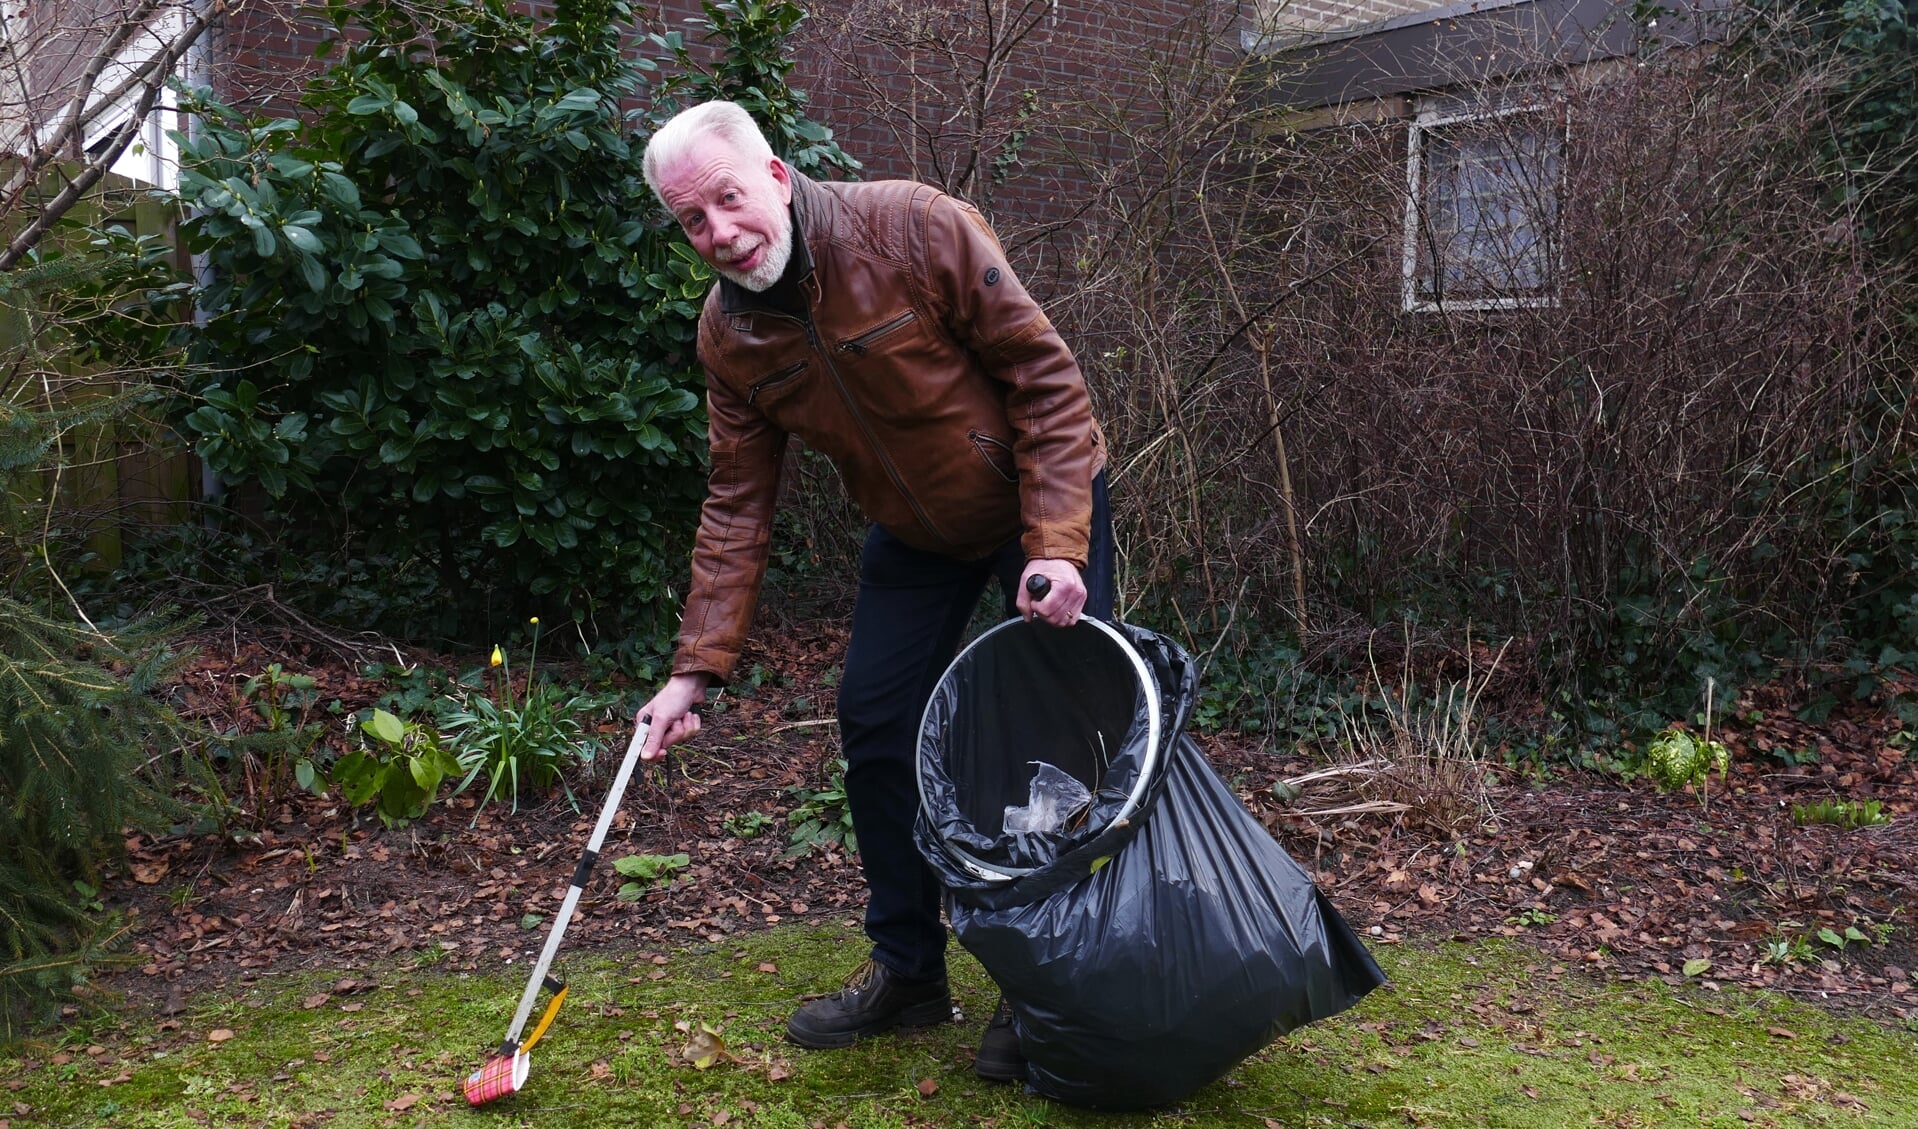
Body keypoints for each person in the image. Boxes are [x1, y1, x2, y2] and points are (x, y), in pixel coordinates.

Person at [634, 100, 1114, 1082]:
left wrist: (1057, 547)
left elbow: (1046, 382)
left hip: (1034, 496)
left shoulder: (911, 225)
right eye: (692, 221)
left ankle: (1054, 982)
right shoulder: (729, 339)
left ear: (771, 173)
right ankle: (908, 970)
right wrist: (694, 670)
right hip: (913, 530)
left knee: (1063, 734)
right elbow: (735, 507)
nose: (719, 233)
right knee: (875, 720)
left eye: (727, 199)